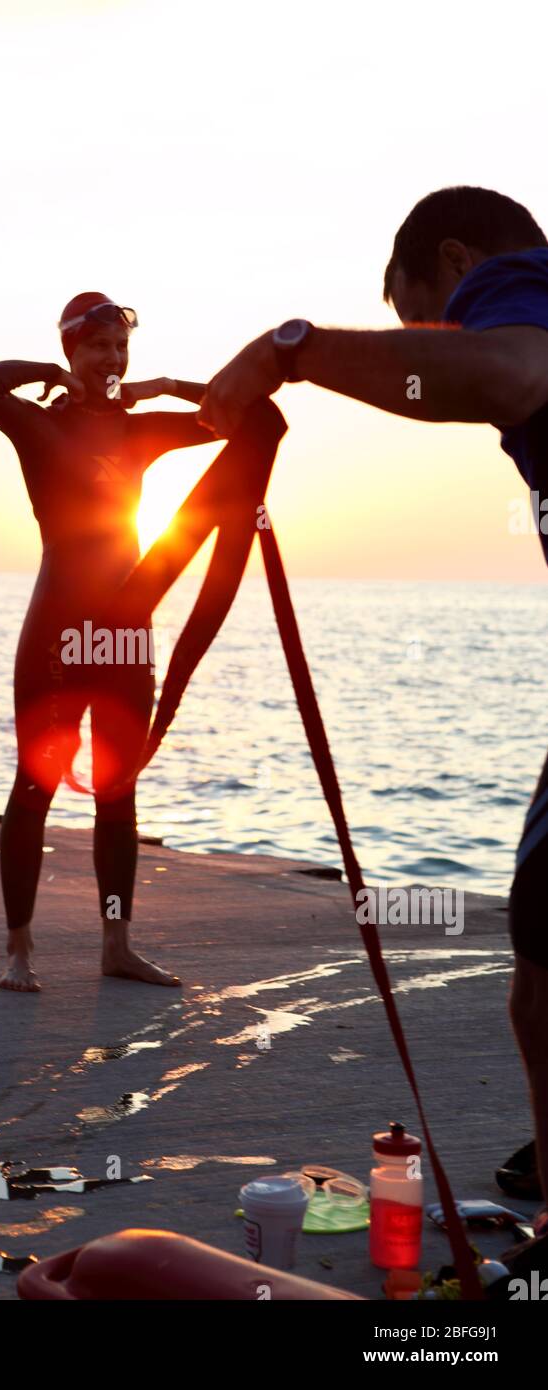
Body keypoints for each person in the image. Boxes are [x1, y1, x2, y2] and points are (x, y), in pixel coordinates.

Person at [199, 184, 548, 1225]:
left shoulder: (519, 285)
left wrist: (289, 350)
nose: (435, 347)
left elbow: (508, 371)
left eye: (428, 323)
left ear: (452, 262)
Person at [0, 292, 218, 991]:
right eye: (98, 348)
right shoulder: (39, 428)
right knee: (35, 785)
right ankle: (19, 951)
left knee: (118, 788)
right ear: (75, 351)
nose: (112, 359)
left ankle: (117, 945)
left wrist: (163, 386)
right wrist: (52, 374)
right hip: (56, 628)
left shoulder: (141, 432)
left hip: (125, 637)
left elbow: (239, 411)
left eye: (120, 349)